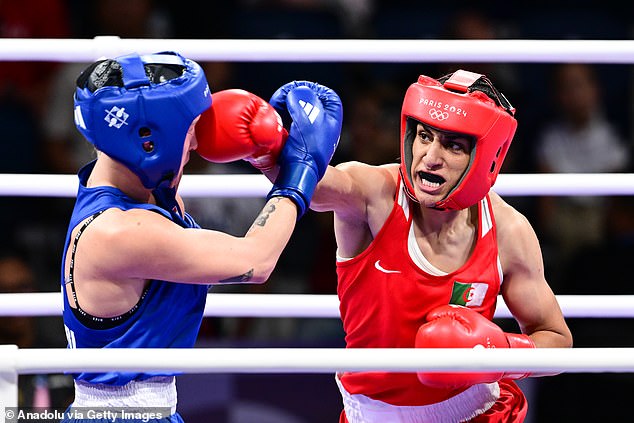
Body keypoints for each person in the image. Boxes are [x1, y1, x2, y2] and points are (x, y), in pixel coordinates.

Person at [268, 72, 573, 422]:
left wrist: (499, 351)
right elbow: (317, 189)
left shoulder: (507, 229)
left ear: (486, 157)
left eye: (453, 145)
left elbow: (556, 340)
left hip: (479, 412)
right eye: (424, 136)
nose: (429, 157)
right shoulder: (375, 194)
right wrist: (268, 148)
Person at [60, 51, 342, 421]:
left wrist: (265, 153)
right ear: (148, 142)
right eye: (189, 132)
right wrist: (299, 174)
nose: (196, 145)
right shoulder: (118, 231)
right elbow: (254, 261)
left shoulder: (143, 191)